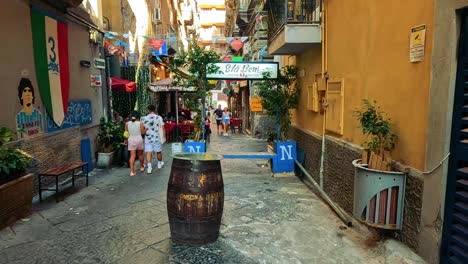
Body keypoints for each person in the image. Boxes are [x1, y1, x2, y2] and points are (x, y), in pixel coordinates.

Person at [142, 104, 164, 174]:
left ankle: (149, 167)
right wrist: (164, 137)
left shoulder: (144, 118)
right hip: (157, 137)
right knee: (158, 151)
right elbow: (162, 128)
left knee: (148, 152)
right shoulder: (159, 117)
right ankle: (159, 164)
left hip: (148, 138)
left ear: (148, 110)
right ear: (155, 110)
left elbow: (143, 130)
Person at [125, 111, 145, 176]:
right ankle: (142, 167)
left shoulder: (127, 123)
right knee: (140, 154)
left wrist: (125, 140)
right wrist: (146, 129)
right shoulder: (140, 123)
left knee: (132, 155)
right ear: (138, 116)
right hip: (139, 139)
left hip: (131, 139)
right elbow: (142, 133)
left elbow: (126, 133)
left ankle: (132, 172)